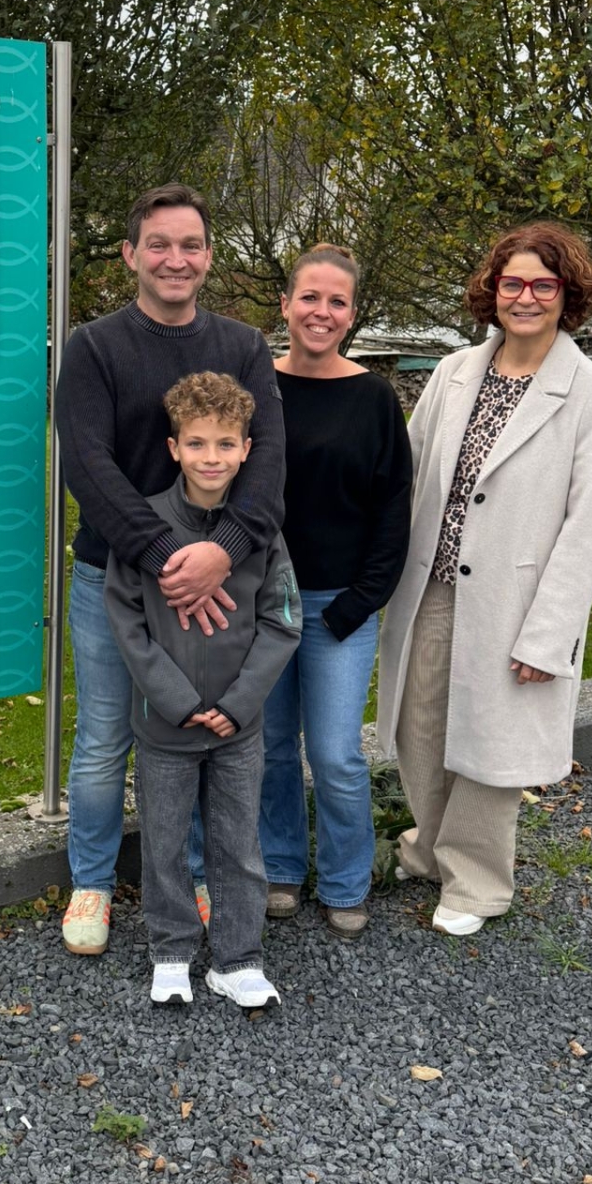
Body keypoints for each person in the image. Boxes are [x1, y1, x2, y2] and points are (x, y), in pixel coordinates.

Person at [375, 221, 592, 936]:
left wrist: (548, 636)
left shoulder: (591, 397)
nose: (525, 297)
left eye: (542, 285)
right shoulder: (456, 373)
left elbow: (589, 528)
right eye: (512, 283)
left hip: (515, 600)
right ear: (492, 291)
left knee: (491, 746)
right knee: (418, 724)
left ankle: (479, 883)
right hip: (431, 584)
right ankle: (429, 848)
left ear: (568, 294)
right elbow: (414, 475)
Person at [54, 184, 285, 956]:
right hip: (115, 580)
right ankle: (91, 882)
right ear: (131, 255)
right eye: (159, 244)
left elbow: (268, 462)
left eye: (190, 245)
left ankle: (191, 876)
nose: (175, 259)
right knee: (105, 738)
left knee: (197, 728)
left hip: (224, 585)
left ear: (210, 257)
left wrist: (225, 551)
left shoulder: (244, 347)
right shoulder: (92, 347)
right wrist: (161, 557)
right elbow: (88, 465)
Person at [105, 373, 300, 1008]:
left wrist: (239, 703)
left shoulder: (260, 532)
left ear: (247, 450)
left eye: (225, 444)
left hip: (239, 729)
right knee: (163, 842)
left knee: (237, 842)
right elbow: (128, 625)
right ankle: (171, 950)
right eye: (197, 444)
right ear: (173, 448)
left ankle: (239, 958)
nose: (211, 458)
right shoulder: (145, 529)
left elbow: (283, 620)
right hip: (167, 728)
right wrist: (180, 701)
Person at [258, 244, 412, 937]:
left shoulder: (375, 398)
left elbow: (394, 513)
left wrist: (360, 602)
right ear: (285, 304)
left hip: (337, 610)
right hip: (260, 605)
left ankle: (347, 881)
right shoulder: (255, 387)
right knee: (269, 749)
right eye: (310, 297)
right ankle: (281, 866)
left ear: (352, 314)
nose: (322, 311)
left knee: (336, 753)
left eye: (337, 301)